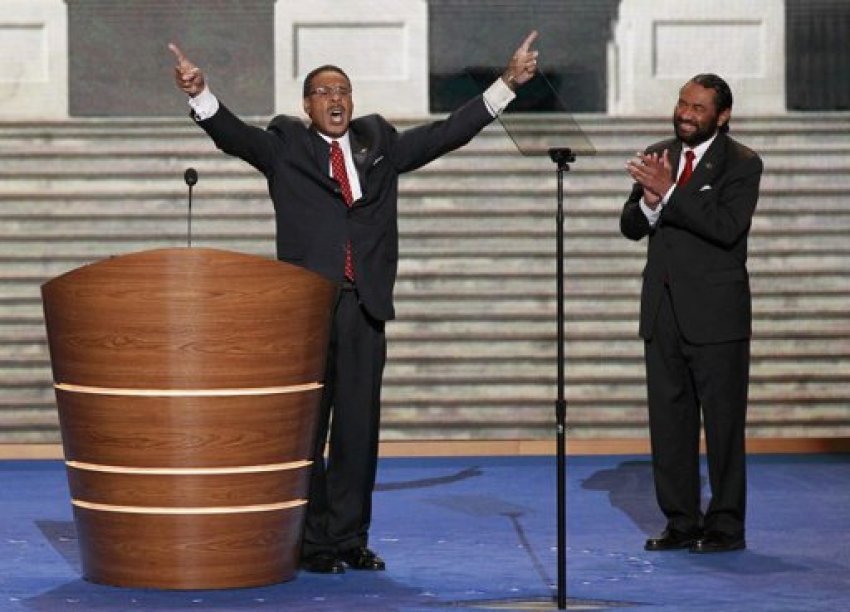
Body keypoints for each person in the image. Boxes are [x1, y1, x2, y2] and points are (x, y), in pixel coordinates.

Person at [169, 32, 540, 574]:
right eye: (323, 91)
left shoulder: (380, 144)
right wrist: (200, 93)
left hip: (364, 305)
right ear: (307, 105)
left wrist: (506, 84)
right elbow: (232, 136)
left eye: (343, 89)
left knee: (358, 432)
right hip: (308, 309)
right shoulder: (286, 147)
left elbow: (446, 134)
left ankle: (348, 539)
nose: (336, 98)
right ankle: (313, 541)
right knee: (309, 430)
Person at [620, 74, 763, 554]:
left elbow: (726, 228)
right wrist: (648, 199)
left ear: (721, 116)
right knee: (670, 423)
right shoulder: (660, 153)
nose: (685, 113)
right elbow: (629, 226)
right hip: (662, 314)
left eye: (698, 107)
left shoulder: (741, 164)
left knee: (723, 428)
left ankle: (725, 527)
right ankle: (681, 522)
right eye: (682, 103)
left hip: (717, 317)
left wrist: (672, 195)